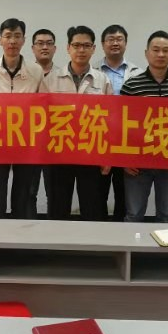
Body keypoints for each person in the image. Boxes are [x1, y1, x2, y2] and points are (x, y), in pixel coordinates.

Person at [0, 18, 48, 219]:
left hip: (25, 140)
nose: (12, 41)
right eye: (8, 36)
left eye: (17, 36)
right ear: (0, 40)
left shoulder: (35, 70)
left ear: (24, 40)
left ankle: (19, 233)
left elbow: (42, 106)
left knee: (23, 192)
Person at [121, 30, 168, 223]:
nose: (161, 54)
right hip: (138, 162)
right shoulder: (131, 85)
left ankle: (163, 245)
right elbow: (120, 125)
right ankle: (132, 244)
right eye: (156, 50)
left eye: (165, 50)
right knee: (134, 214)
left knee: (167, 215)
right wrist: (125, 159)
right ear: (146, 53)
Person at [44, 26, 113, 220]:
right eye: (76, 45)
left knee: (92, 206)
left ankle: (92, 240)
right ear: (68, 48)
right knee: (58, 206)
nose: (81, 50)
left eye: (86, 45)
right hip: (59, 152)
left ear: (93, 49)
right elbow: (41, 117)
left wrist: (107, 156)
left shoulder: (103, 80)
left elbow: (111, 120)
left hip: (91, 152)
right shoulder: (51, 79)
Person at [96, 24, 142, 222]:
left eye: (119, 39)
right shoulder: (93, 71)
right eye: (110, 39)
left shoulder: (138, 73)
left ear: (126, 43)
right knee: (97, 196)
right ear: (102, 44)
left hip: (128, 142)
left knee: (124, 199)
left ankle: (121, 236)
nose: (115, 43)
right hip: (100, 141)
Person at [28, 28, 58, 216]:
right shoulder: (25, 73)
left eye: (49, 43)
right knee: (29, 191)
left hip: (55, 141)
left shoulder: (63, 75)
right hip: (30, 142)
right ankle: (28, 228)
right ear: (33, 48)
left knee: (54, 191)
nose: (44, 47)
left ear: (55, 48)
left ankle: (53, 229)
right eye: (40, 43)